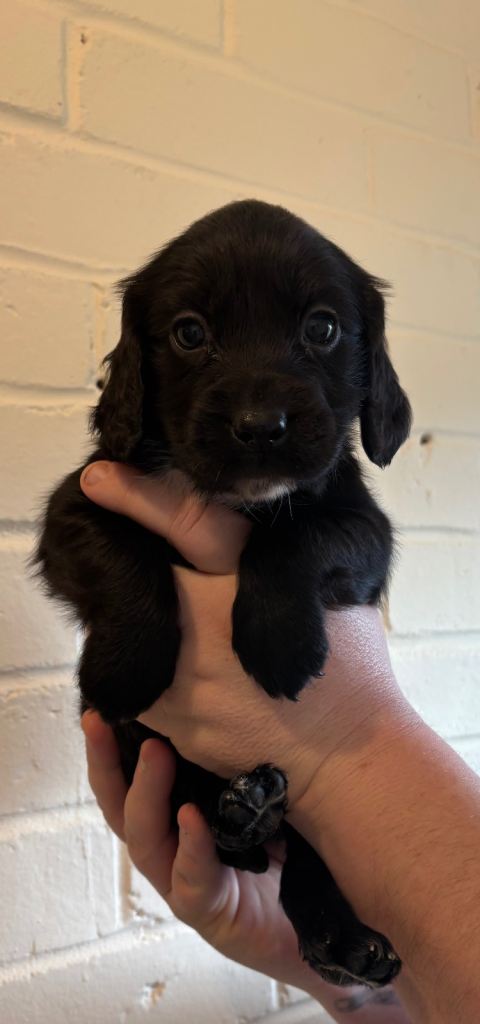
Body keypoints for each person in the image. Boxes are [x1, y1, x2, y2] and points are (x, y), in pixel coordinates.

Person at [80, 461, 480, 1024]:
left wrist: (338, 735)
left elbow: (362, 539)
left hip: (278, 801)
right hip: (196, 787)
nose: (259, 415)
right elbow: (73, 532)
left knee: (307, 859)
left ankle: (310, 904)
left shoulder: (333, 493)